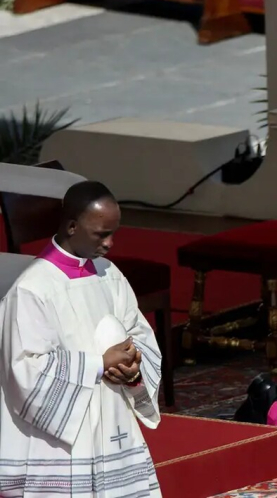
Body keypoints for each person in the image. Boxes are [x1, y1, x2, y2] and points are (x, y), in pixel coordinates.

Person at [0, 181, 163, 497]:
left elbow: (139, 332)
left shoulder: (109, 274)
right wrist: (99, 365)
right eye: (101, 234)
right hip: (62, 437)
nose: (110, 243)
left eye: (114, 233)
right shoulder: (33, 288)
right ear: (73, 226)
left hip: (114, 416)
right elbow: (25, 369)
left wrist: (133, 367)